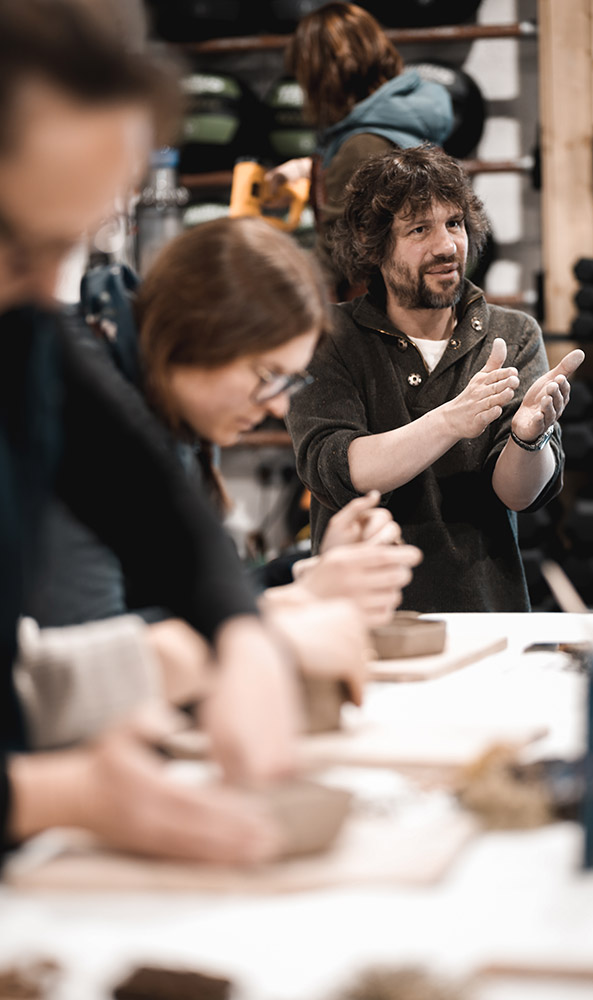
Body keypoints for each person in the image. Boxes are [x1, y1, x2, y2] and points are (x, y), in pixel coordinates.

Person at [0, 0, 301, 866]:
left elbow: (142, 493)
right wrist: (64, 795)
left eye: (64, 248)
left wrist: (238, 633)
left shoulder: (16, 325)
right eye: (22, 245)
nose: (42, 288)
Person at [22, 217, 422, 721]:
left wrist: (307, 568)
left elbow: (186, 595)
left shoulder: (168, 409)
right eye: (269, 376)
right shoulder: (86, 416)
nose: (278, 407)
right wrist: (289, 608)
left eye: (289, 382)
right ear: (200, 337)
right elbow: (89, 660)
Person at [286, 144, 586, 613]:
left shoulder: (512, 334)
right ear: (377, 246)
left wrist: (528, 439)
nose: (447, 246)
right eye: (419, 229)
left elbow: (521, 496)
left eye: (454, 223)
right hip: (367, 621)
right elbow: (340, 469)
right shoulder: (331, 337)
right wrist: (452, 420)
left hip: (488, 616)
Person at [266, 1, 454, 298]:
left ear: (322, 76)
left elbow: (337, 253)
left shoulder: (362, 146)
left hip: (374, 321)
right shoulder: (400, 125)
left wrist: (271, 287)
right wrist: (304, 168)